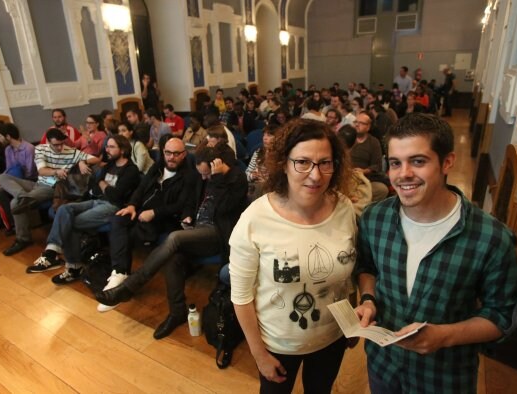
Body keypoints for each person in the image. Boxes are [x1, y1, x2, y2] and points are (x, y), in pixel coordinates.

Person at [354, 113, 517, 393]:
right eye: (395, 163)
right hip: (383, 365)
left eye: (418, 161)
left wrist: (444, 336)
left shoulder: (491, 238)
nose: (404, 173)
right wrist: (369, 299)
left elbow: (504, 315)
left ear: (447, 162)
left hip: (443, 377)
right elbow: (368, 267)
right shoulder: (375, 219)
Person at [230, 118, 357, 393]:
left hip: (332, 338)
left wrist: (351, 324)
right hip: (278, 345)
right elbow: (241, 297)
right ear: (284, 164)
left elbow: (349, 274)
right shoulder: (255, 219)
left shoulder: (345, 209)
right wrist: (258, 355)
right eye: (302, 162)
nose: (315, 175)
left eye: (325, 162)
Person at [95, 142, 248, 339]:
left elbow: (225, 209)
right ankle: (177, 312)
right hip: (198, 230)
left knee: (173, 237)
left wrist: (217, 178)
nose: (203, 178)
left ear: (218, 165)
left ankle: (129, 286)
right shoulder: (205, 175)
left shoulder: (237, 178)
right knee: (172, 258)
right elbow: (193, 202)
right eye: (201, 174)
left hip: (219, 234)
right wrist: (188, 216)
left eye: (206, 174)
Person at [97, 137, 199, 312]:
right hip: (140, 212)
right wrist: (132, 205)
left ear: (184, 155)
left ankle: (123, 285)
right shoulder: (157, 167)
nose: (171, 157)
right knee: (118, 219)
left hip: (163, 219)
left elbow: (181, 204)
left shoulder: (190, 175)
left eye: (176, 154)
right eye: (168, 152)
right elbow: (141, 189)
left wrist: (154, 213)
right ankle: (119, 273)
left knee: (128, 234)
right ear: (163, 152)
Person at [26, 135, 140, 284]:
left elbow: (116, 196)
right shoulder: (109, 165)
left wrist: (102, 183)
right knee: (64, 209)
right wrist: (101, 184)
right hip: (97, 201)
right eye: (107, 146)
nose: (107, 149)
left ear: (123, 150)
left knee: (69, 223)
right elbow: (94, 184)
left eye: (112, 147)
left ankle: (73, 267)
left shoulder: (131, 170)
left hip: (113, 207)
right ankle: (51, 251)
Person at [0, 128, 99, 256]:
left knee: (14, 203)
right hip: (37, 183)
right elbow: (41, 171)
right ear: (48, 142)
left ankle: (22, 239)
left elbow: (96, 159)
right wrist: (56, 171)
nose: (59, 147)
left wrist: (82, 161)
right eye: (55, 145)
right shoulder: (40, 149)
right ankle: (22, 196)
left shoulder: (71, 152)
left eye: (61, 143)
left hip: (52, 187)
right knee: (2, 177)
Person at [0, 123, 37, 234]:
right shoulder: (8, 149)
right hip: (13, 178)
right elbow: (8, 169)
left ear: (8, 136)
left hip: (28, 180)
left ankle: (14, 224)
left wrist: (7, 180)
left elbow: (30, 172)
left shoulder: (28, 148)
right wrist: (0, 180)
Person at [245, 124, 277, 202]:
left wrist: (266, 179)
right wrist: (252, 176)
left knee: (261, 187)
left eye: (269, 135)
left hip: (272, 188)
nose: (264, 138)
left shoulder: (280, 155)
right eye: (264, 135)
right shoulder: (258, 152)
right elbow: (247, 173)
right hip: (255, 185)